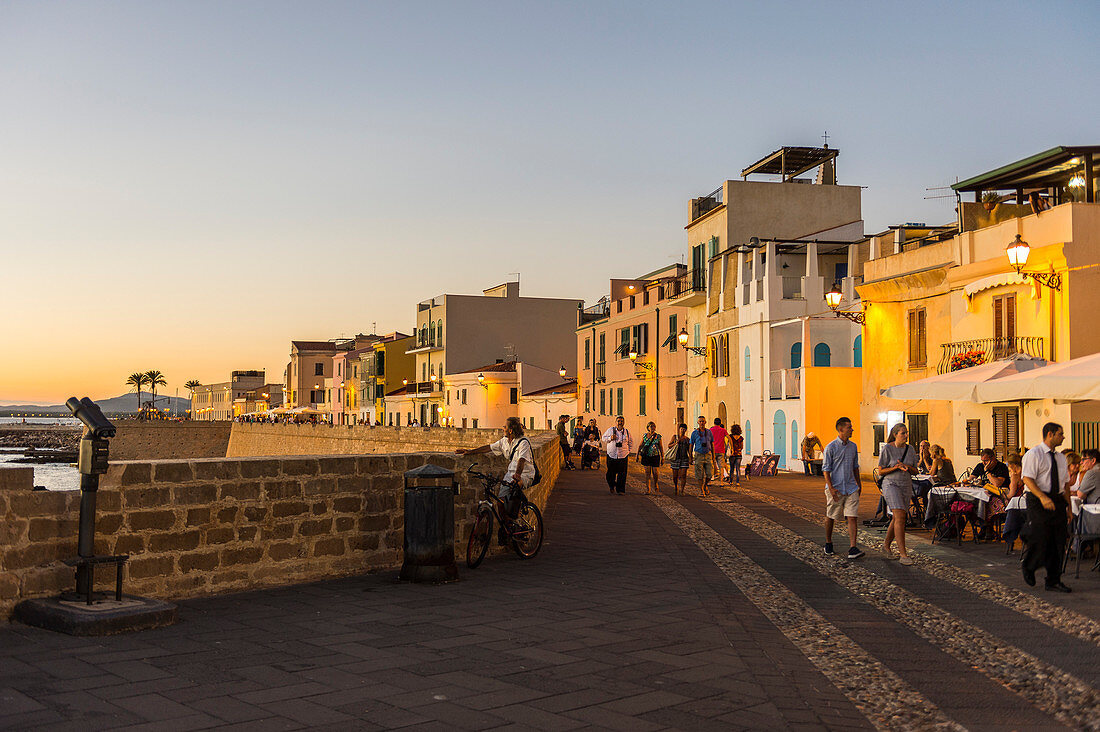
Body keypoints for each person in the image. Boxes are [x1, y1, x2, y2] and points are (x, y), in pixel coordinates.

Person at [455, 417, 534, 538]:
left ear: (511, 430)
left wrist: (518, 475)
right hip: (510, 474)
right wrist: (470, 451)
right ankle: (508, 526)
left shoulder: (523, 442)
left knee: (515, 492)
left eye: (505, 427)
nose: (503, 428)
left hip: (525, 474)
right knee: (500, 501)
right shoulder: (504, 441)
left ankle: (518, 520)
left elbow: (521, 460)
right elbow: (489, 447)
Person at [1020, 422, 1072, 592]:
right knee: (1041, 536)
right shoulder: (1034, 454)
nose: (1063, 437)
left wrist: (1069, 508)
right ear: (1050, 434)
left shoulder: (1060, 458)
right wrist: (1042, 497)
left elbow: (1065, 485)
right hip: (1037, 497)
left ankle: (1054, 579)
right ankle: (1029, 565)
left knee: (1058, 539)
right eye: (1060, 433)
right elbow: (1027, 478)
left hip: (1056, 499)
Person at [823, 416, 864, 560]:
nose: (852, 429)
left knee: (852, 516)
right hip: (837, 487)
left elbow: (855, 467)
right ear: (841, 429)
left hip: (851, 487)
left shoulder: (853, 446)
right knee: (832, 516)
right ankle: (828, 542)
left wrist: (859, 485)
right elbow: (826, 469)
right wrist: (831, 488)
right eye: (849, 427)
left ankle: (853, 547)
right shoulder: (831, 447)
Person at [878, 423, 917, 565]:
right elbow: (880, 470)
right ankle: (903, 554)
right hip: (891, 484)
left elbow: (916, 470)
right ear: (895, 434)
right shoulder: (887, 448)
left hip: (905, 484)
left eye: (906, 433)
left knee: (897, 517)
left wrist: (908, 467)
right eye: (903, 433)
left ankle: (886, 546)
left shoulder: (910, 449)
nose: (906, 435)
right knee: (900, 516)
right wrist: (895, 467)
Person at [602, 416, 633, 495]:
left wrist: (627, 451)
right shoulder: (610, 430)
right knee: (610, 474)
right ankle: (612, 485)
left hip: (623, 456)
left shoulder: (627, 432)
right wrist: (610, 438)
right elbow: (603, 438)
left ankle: (621, 490)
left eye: (622, 421)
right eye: (619, 421)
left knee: (622, 474)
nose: (620, 422)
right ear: (616, 422)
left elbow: (630, 443)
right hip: (612, 455)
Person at [690, 416, 714, 497]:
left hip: (708, 454)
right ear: (698, 423)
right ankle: (701, 490)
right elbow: (691, 444)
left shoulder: (709, 432)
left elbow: (712, 443)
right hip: (698, 454)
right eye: (700, 421)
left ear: (705, 422)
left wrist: (713, 456)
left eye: (703, 421)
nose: (702, 423)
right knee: (699, 474)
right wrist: (690, 456)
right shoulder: (694, 433)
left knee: (709, 474)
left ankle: (705, 485)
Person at [637, 421, 663, 495]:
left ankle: (656, 484)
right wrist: (637, 455)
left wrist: (663, 457)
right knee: (647, 473)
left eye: (654, 426)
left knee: (655, 472)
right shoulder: (645, 436)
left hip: (655, 456)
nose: (652, 428)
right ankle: (648, 489)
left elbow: (660, 447)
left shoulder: (658, 436)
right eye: (651, 426)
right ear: (648, 427)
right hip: (646, 456)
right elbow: (640, 445)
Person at [667, 423, 691, 495]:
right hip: (675, 458)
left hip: (684, 459)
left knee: (683, 475)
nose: (682, 430)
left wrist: (690, 458)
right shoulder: (675, 437)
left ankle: (682, 490)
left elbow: (689, 450)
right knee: (675, 476)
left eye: (684, 429)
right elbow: (669, 446)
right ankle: (676, 486)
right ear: (679, 429)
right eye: (681, 429)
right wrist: (675, 443)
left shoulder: (687, 439)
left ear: (686, 430)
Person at [710, 418, 729, 483]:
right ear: (720, 423)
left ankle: (711, 479)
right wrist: (731, 448)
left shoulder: (711, 430)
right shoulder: (723, 430)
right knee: (721, 467)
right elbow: (729, 438)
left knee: (712, 465)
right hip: (721, 450)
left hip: (713, 450)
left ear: (714, 423)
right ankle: (721, 482)